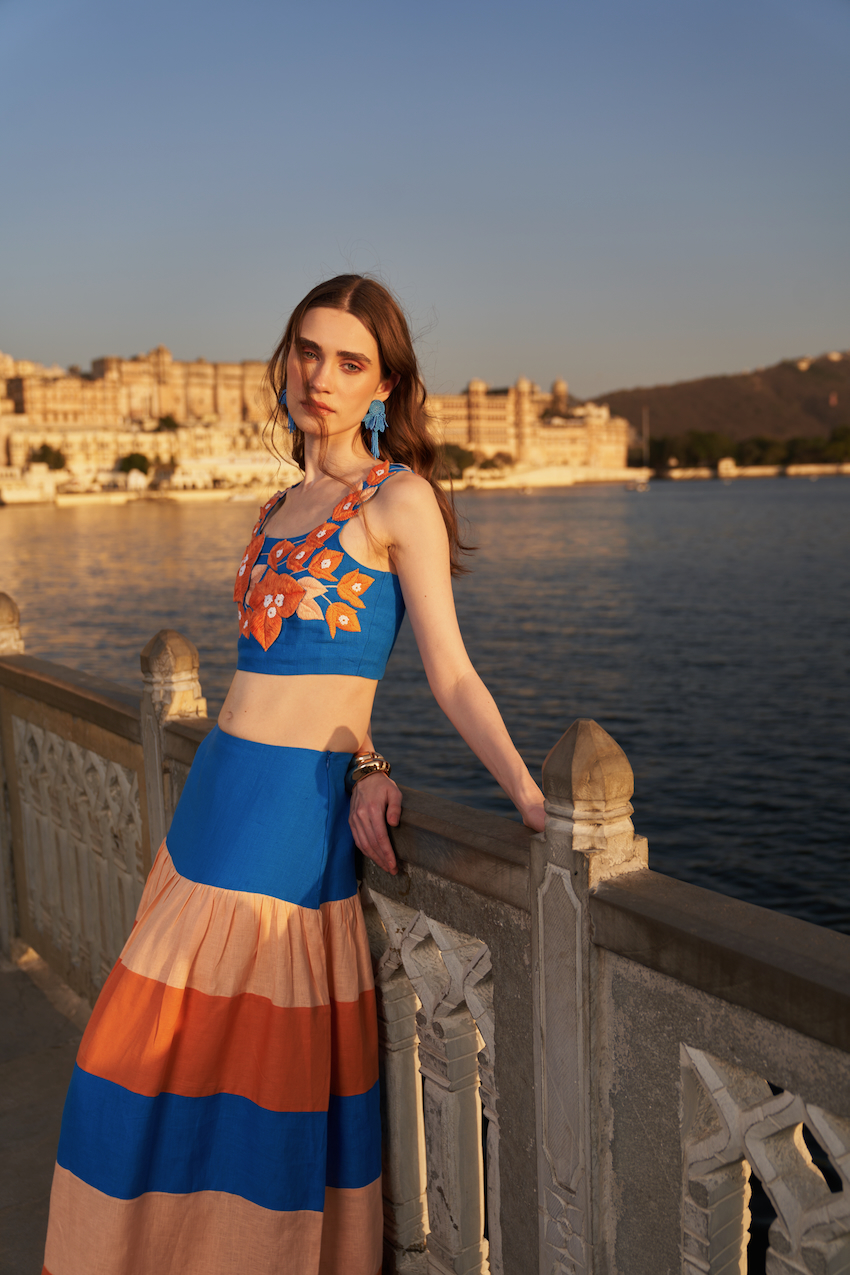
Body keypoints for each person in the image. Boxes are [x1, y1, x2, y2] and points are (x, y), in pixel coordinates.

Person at [42, 274, 545, 1275]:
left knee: (243, 1080)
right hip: (212, 811)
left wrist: (535, 801)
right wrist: (364, 755)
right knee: (139, 1064)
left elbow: (447, 671)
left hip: (284, 827)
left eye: (349, 361)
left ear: (385, 386)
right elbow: (279, 681)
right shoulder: (277, 505)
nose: (320, 376)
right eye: (307, 351)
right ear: (284, 364)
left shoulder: (398, 499)